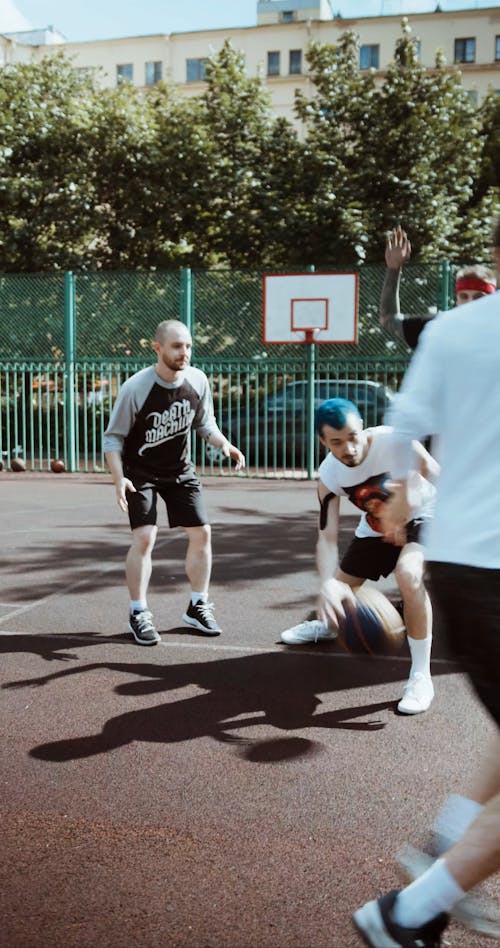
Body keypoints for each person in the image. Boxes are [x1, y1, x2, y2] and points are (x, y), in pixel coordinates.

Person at [353, 219, 500, 947]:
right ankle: (407, 912)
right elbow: (387, 324)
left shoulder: (452, 335)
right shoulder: (444, 328)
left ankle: (443, 845)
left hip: (463, 560)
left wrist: (405, 504)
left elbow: (404, 431)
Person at [280, 397, 439, 715]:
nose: (349, 448)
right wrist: (327, 584)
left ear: (362, 428)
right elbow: (326, 537)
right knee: (336, 592)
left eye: (353, 437)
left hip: (424, 516)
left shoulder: (393, 440)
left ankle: (421, 675)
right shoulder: (329, 477)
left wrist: (407, 498)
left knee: (408, 574)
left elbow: (436, 473)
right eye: (337, 442)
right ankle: (327, 624)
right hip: (376, 527)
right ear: (323, 441)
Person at [103, 319, 245, 646]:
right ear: (158, 348)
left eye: (188, 346)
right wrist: (118, 478)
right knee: (145, 538)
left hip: (180, 469)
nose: (184, 352)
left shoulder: (197, 380)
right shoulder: (136, 388)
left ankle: (197, 606)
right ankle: (138, 611)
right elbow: (113, 438)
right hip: (141, 472)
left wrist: (224, 444)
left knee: (202, 533)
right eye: (177, 346)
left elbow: (205, 424)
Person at [380, 224, 497, 349]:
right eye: (464, 296)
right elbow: (389, 319)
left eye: (478, 297)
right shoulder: (438, 327)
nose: (470, 302)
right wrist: (394, 269)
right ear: (456, 299)